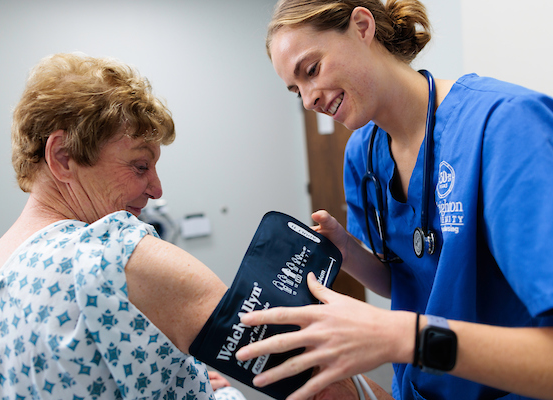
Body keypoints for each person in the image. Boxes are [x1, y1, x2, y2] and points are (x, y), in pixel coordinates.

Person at [235, 1, 553, 399]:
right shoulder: (362, 155)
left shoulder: (503, 126)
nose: (308, 100)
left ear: (362, 27)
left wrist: (399, 335)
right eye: (295, 90)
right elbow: (404, 282)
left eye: (311, 70)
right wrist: (347, 251)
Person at [0, 52, 244, 400]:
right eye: (139, 165)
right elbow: (303, 369)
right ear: (63, 157)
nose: (156, 188)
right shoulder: (113, 255)